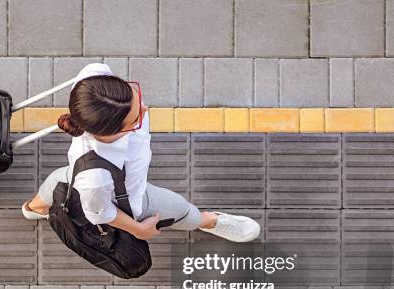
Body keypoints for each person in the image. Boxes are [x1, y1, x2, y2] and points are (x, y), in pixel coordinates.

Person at [21, 63, 260, 243]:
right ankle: (207, 220)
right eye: (136, 118)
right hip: (129, 195)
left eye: (136, 98)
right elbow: (100, 213)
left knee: (58, 180)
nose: (144, 109)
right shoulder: (96, 179)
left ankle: (33, 209)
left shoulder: (95, 73)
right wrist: (139, 229)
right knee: (181, 209)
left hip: (76, 173)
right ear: (110, 132)